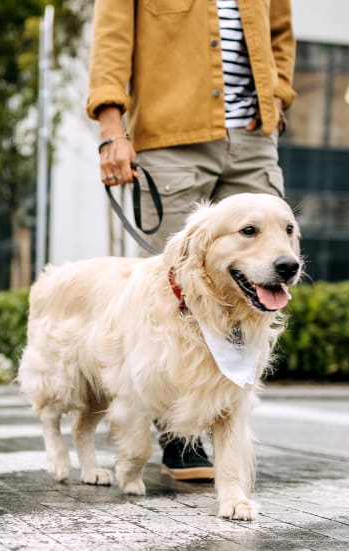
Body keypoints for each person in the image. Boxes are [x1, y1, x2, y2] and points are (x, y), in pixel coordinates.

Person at [87, 0, 296, 481]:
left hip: (254, 140)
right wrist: (111, 129)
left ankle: (226, 424)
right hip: (172, 135)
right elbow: (112, 40)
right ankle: (179, 435)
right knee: (176, 289)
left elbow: (280, 29)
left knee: (260, 281)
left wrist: (277, 96)